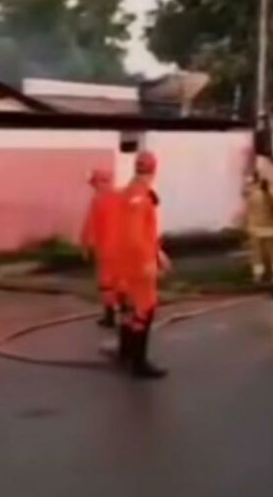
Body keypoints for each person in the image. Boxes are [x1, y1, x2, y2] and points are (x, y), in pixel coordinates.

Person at [117, 151, 171, 380]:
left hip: (130, 260)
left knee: (132, 308)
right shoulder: (139, 197)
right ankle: (139, 363)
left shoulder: (130, 192)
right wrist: (149, 260)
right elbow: (135, 235)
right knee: (145, 310)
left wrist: (158, 253)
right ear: (154, 169)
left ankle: (127, 353)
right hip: (139, 262)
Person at [81, 168, 124, 328]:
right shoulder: (121, 196)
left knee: (107, 283)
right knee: (121, 279)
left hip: (106, 249)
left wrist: (85, 246)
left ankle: (110, 316)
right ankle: (125, 310)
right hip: (123, 247)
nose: (94, 186)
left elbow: (90, 225)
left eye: (94, 183)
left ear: (98, 182)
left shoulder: (98, 200)